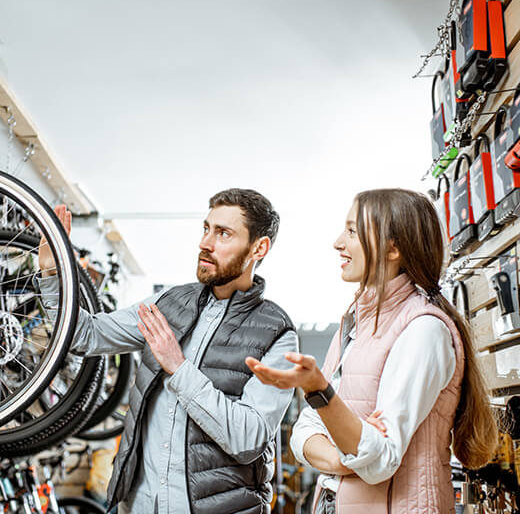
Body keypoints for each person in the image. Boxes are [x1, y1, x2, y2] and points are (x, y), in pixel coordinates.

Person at [37, 188, 298, 514]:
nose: (206, 243)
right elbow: (85, 335)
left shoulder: (277, 334)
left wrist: (179, 367)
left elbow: (248, 440)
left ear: (259, 247)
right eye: (206, 228)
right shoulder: (167, 304)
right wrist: (52, 273)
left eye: (224, 233)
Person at [246, 188, 498, 514]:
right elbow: (304, 434)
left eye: (352, 231)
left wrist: (319, 391)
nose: (338, 242)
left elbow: (380, 461)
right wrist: (345, 457)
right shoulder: (356, 323)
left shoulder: (423, 331)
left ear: (392, 248)